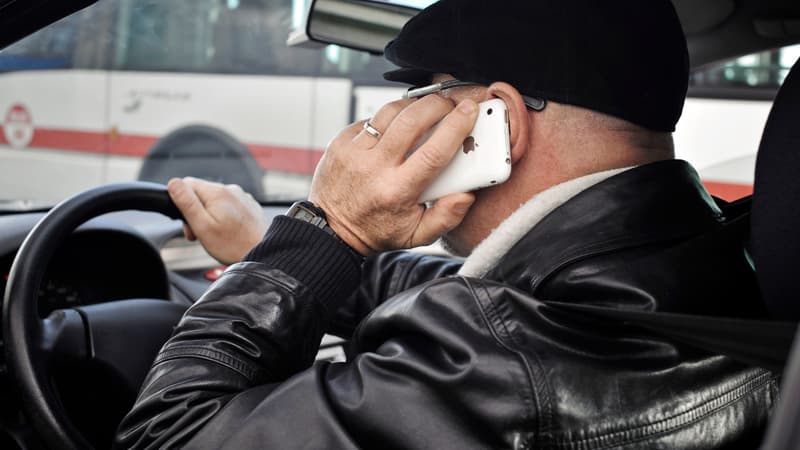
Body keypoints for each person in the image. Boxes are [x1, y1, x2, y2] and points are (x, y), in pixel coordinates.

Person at [115, 0, 776, 448]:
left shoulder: (496, 364)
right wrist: (283, 249)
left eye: (426, 96)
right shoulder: (721, 255)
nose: (403, 117)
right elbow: (440, 282)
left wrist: (331, 224)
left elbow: (165, 435)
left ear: (499, 123)